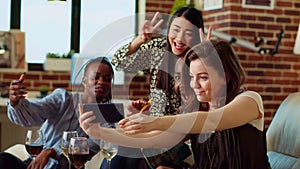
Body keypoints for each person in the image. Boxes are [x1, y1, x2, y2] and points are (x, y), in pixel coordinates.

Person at [79, 40, 271, 169]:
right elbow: (151, 140)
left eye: (203, 77)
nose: (194, 85)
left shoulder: (249, 101)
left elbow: (212, 120)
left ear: (225, 76)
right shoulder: (197, 111)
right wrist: (100, 133)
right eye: (191, 77)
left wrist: (154, 121)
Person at [111, 6, 208, 169]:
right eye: (175, 30)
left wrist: (207, 56)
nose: (180, 38)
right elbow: (119, 63)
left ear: (198, 36)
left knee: (128, 157)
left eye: (188, 33)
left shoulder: (199, 64)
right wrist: (141, 39)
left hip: (179, 140)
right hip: (150, 135)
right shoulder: (160, 50)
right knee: (120, 157)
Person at [0, 57, 115, 169]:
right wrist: (15, 102)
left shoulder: (107, 118)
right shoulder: (62, 98)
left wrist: (51, 152)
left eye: (107, 79)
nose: (101, 82)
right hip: (35, 165)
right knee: (4, 159)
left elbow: (88, 147)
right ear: (84, 80)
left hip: (68, 166)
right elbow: (36, 112)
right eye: (96, 77)